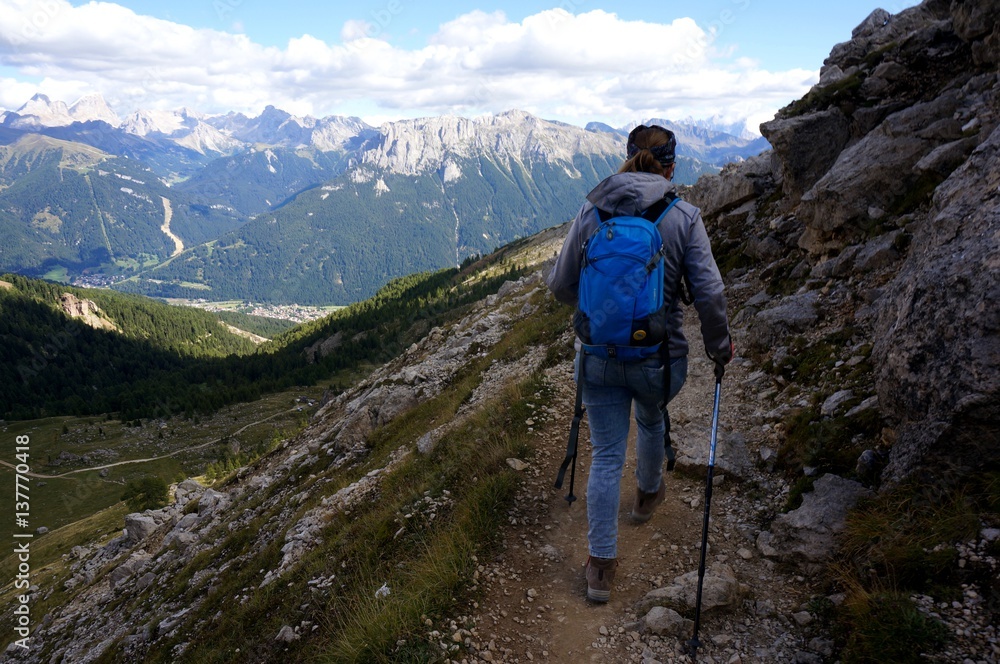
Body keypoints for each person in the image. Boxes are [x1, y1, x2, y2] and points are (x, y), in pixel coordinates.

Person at [546, 124, 733, 603]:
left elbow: (560, 285)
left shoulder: (593, 210)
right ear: (672, 166)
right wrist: (719, 346)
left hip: (599, 357)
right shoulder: (684, 216)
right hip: (659, 359)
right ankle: (648, 497)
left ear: (626, 158)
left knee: (607, 455)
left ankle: (600, 567)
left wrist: (600, 312)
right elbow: (709, 293)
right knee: (651, 418)